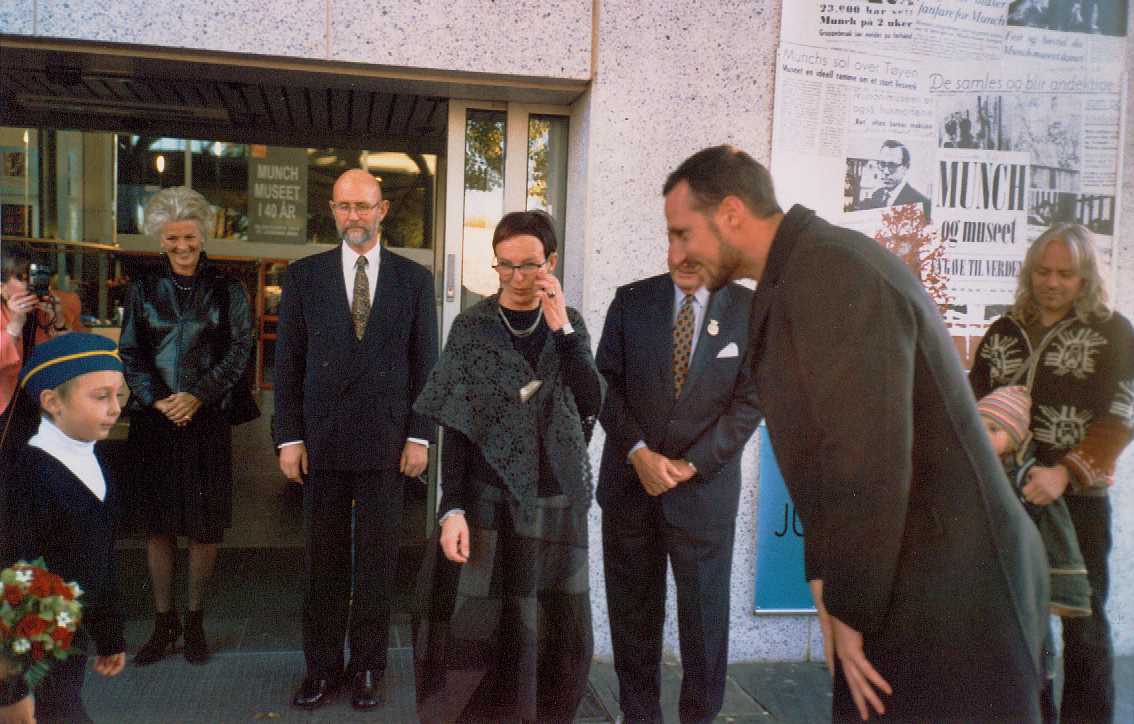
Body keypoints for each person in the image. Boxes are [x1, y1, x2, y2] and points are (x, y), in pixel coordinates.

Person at [665, 145, 1048, 722]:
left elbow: (866, 456)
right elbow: (825, 458)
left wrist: (848, 609)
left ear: (731, 213)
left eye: (682, 232)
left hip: (957, 591)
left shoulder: (829, 268)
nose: (676, 254)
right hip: (913, 578)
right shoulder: (801, 269)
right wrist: (825, 583)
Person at [412, 210, 603, 723]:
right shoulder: (471, 328)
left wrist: (564, 331)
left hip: (556, 505)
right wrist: (451, 507)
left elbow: (592, 401)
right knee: (476, 636)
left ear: (551, 263)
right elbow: (456, 423)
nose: (517, 278)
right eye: (505, 266)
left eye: (529, 266)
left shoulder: (570, 325)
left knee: (554, 634)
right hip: (485, 502)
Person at [274, 169, 438, 711]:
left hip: (388, 444)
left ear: (383, 210)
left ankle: (368, 666)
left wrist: (420, 436)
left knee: (376, 559)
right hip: (320, 443)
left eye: (363, 206)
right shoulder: (303, 277)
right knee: (322, 560)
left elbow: (425, 365)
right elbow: (288, 364)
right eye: (344, 207)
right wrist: (288, 438)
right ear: (331, 210)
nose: (354, 217)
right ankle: (321, 670)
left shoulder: (414, 280)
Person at [970, 224, 1133, 724]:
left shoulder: (1113, 333)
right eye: (1043, 271)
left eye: (1065, 273)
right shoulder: (1003, 330)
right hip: (1008, 497)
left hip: (1077, 500)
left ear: (1085, 277)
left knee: (1083, 622)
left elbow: (1123, 414)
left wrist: (1065, 473)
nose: (1052, 282)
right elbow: (971, 404)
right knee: (1020, 621)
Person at [594, 236, 760, 723]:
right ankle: (639, 716)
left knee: (704, 627)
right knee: (634, 620)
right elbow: (605, 383)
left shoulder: (751, 310)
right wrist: (638, 453)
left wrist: (691, 465)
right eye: (677, 241)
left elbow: (750, 402)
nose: (685, 257)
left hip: (704, 496)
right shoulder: (631, 301)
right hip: (631, 489)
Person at [118, 186, 254, 667]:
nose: (182, 246)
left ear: (205, 233)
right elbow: (131, 353)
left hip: (206, 419)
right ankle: (162, 621)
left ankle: (195, 619)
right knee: (157, 529)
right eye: (172, 237)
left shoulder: (229, 288)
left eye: (190, 236)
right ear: (160, 239)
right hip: (155, 424)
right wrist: (159, 400)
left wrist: (197, 395)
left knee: (204, 527)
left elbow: (241, 351)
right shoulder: (141, 289)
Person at [2, 333, 128, 723]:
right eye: (100, 396)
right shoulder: (24, 477)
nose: (114, 409)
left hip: (67, 645)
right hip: (28, 661)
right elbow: (11, 579)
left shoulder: (94, 465)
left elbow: (99, 559)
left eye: (118, 395)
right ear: (52, 401)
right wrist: (10, 691)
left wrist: (108, 635)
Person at [2, 247, 72, 423]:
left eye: (35, 277)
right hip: (5, 406)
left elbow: (70, 359)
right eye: (22, 278)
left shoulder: (45, 312)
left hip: (39, 406)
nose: (30, 285)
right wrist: (15, 325)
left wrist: (59, 320)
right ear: (2, 286)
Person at [856, 140, 931, 219]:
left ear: (906, 167)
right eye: (882, 164)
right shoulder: (877, 194)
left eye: (892, 165)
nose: (886, 172)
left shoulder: (921, 202)